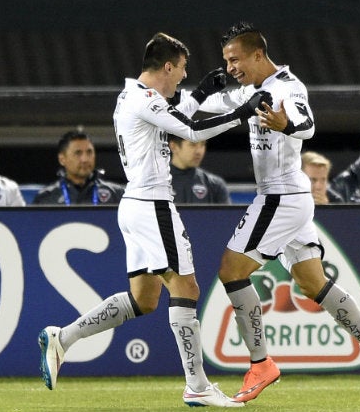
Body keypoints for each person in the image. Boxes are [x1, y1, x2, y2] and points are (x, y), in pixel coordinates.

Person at [38, 32, 268, 408]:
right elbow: (190, 131)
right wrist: (241, 114)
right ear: (167, 66)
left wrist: (200, 95)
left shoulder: (135, 98)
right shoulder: (144, 99)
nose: (182, 77)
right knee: (187, 287)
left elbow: (173, 118)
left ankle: (62, 338)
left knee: (144, 299)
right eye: (181, 70)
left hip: (135, 204)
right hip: (152, 204)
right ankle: (197, 385)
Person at [197, 21, 360, 404]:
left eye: (235, 59)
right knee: (311, 282)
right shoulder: (248, 92)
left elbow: (307, 124)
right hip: (290, 198)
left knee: (231, 270)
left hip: (281, 197)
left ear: (258, 54)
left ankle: (261, 363)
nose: (230, 67)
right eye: (227, 61)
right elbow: (196, 116)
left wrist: (285, 124)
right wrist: (193, 95)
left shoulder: (288, 87)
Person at [32, 130, 125, 205]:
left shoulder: (116, 194)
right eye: (78, 153)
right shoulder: (46, 198)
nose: (85, 159)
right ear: (62, 159)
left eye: (89, 152)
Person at [167, 135, 230, 204]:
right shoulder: (157, 183)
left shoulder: (216, 185)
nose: (199, 151)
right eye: (193, 145)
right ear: (174, 147)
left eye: (202, 144)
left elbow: (226, 215)